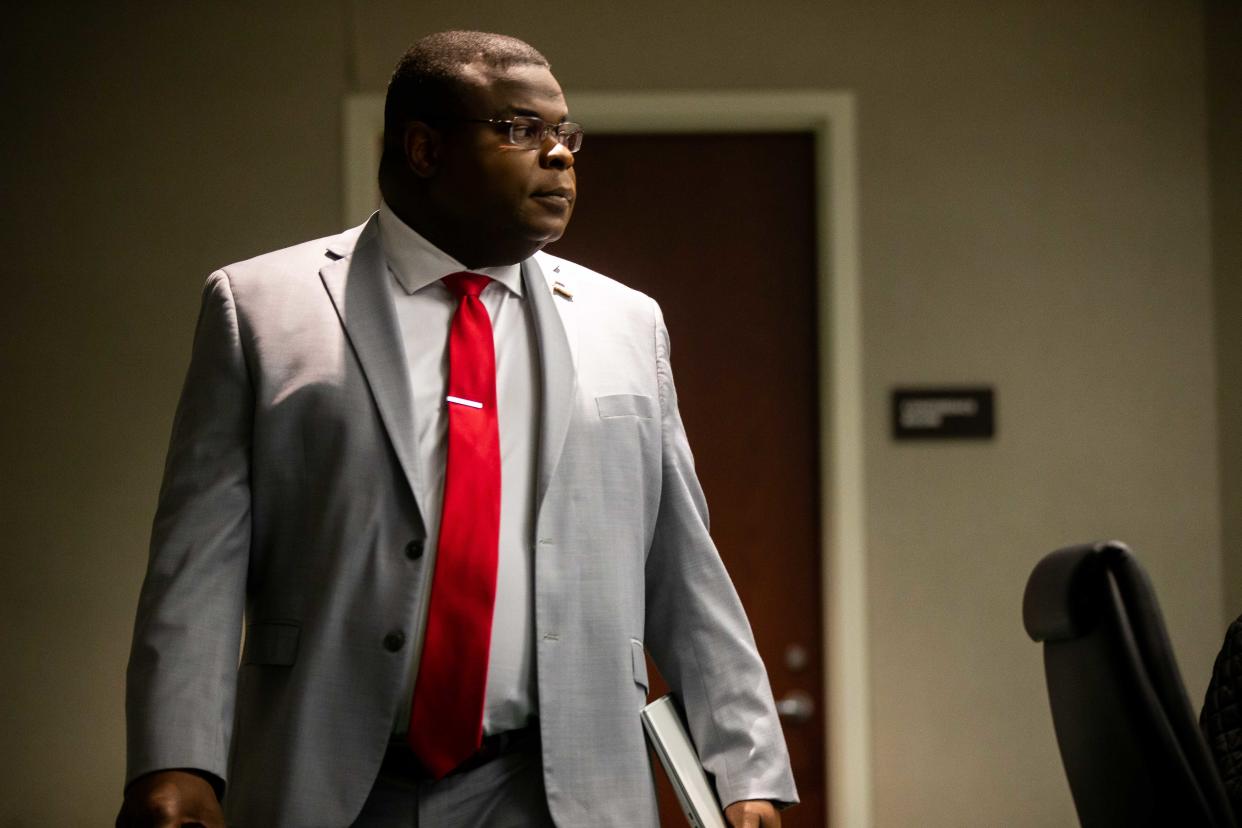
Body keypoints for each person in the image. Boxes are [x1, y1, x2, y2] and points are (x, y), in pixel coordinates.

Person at [117, 30, 797, 828]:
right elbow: (197, 563)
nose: (559, 156)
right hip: (332, 783)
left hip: (559, 788)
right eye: (519, 129)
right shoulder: (263, 307)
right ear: (422, 149)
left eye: (566, 134)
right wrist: (176, 760)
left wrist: (744, 764)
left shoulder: (626, 320)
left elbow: (683, 566)